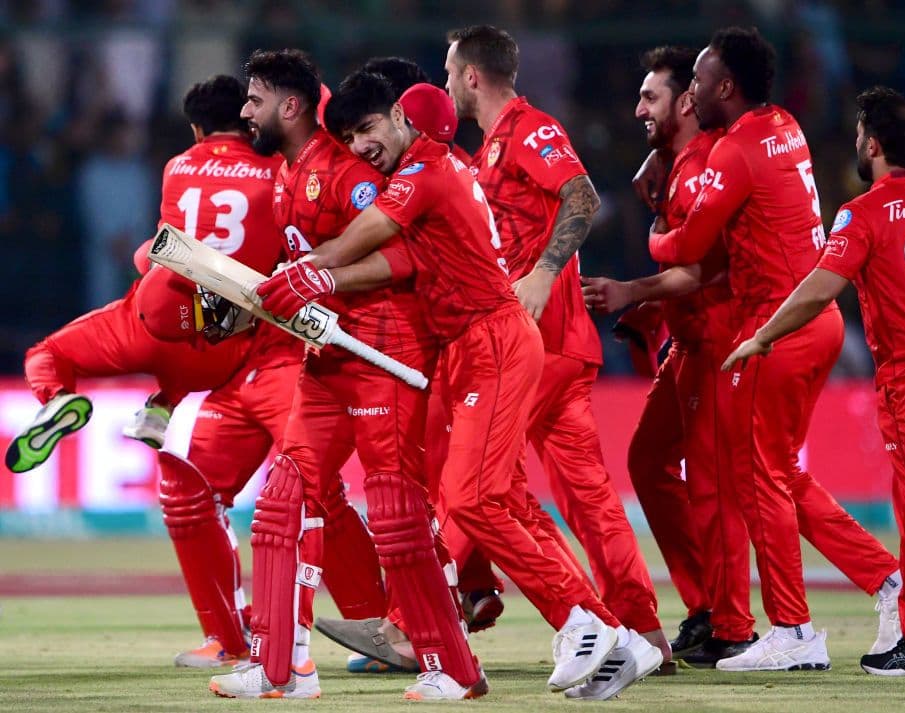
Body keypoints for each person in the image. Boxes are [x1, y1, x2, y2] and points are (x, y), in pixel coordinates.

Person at [255, 68, 646, 700]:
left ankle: (586, 622)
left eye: (369, 129)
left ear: (406, 121)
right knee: (491, 499)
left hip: (490, 339)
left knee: (470, 500)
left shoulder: (424, 171)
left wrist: (314, 269)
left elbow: (371, 233)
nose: (358, 148)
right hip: (474, 345)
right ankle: (609, 636)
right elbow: (394, 251)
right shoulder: (440, 169)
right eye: (349, 137)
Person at [5, 75, 385, 670]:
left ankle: (247, 639)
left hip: (198, 333)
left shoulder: (179, 166)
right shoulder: (286, 168)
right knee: (309, 491)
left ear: (195, 128)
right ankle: (365, 625)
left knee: (208, 495)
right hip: (265, 350)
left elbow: (163, 253)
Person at [209, 50, 482, 702]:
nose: (245, 111)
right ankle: (281, 667)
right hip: (324, 361)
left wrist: (318, 279)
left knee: (394, 514)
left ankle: (455, 668)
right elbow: (300, 271)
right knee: (279, 502)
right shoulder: (284, 176)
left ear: (291, 104)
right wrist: (248, 302)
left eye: (254, 98)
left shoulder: (347, 172)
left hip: (383, 353)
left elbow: (403, 256)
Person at [724, 86, 905, 680]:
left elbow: (820, 286)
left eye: (861, 136)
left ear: (875, 144)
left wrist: (763, 336)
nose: (856, 143)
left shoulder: (863, 212)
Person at [647, 27, 902, 672]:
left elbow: (689, 246)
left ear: (724, 87)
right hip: (816, 319)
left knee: (760, 477)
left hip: (774, 329)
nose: (692, 94)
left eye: (700, 82)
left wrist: (654, 231)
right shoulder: (782, 123)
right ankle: (887, 579)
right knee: (778, 473)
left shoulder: (733, 152)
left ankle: (793, 629)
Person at [442, 24, 668, 691]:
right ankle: (635, 628)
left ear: (473, 76)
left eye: (451, 70)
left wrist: (543, 270)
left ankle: (414, 617)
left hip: (536, 341)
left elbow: (583, 195)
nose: (447, 81)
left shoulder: (529, 129)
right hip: (548, 343)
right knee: (581, 495)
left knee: (479, 485)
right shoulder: (490, 149)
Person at [582, 45, 756, 668]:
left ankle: (730, 622)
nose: (637, 108)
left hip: (716, 340)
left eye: (650, 96)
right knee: (650, 461)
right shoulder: (678, 161)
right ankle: (706, 602)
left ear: (687, 101)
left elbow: (707, 267)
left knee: (714, 487)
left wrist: (635, 289)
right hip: (688, 337)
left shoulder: (709, 161)